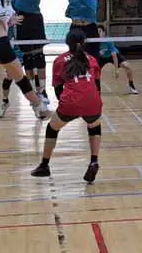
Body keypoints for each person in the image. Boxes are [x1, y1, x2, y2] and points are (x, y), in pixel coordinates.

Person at [31, 31, 102, 183]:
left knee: (52, 128)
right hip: (93, 101)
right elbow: (97, 86)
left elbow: (58, 89)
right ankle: (94, 161)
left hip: (71, 102)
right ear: (84, 42)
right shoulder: (92, 59)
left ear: (67, 43)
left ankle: (44, 165)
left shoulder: (60, 60)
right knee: (95, 126)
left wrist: (65, 107)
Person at [97, 25, 139, 94]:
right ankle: (97, 89)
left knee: (127, 66)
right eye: (97, 32)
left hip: (112, 56)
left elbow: (114, 56)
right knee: (95, 71)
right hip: (101, 58)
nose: (98, 34)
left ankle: (131, 85)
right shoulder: (94, 41)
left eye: (100, 32)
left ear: (104, 33)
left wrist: (116, 69)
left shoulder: (108, 41)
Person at [0, 25, 24, 118]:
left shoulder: (25, 22)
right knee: (9, 77)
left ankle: (38, 105)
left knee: (33, 77)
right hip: (12, 54)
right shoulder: (6, 24)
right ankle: (5, 101)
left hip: (26, 52)